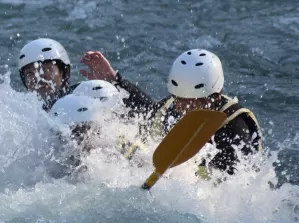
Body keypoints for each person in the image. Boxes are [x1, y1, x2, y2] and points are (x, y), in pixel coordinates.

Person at [80, 49, 262, 175]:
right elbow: (145, 112)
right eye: (181, 100)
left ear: (217, 94)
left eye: (195, 102)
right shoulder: (173, 106)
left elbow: (227, 188)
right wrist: (114, 79)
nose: (185, 108)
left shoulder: (236, 128)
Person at [17, 38, 73, 109]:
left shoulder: (80, 97)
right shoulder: (19, 109)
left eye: (46, 69)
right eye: (30, 73)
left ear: (64, 73)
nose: (38, 77)